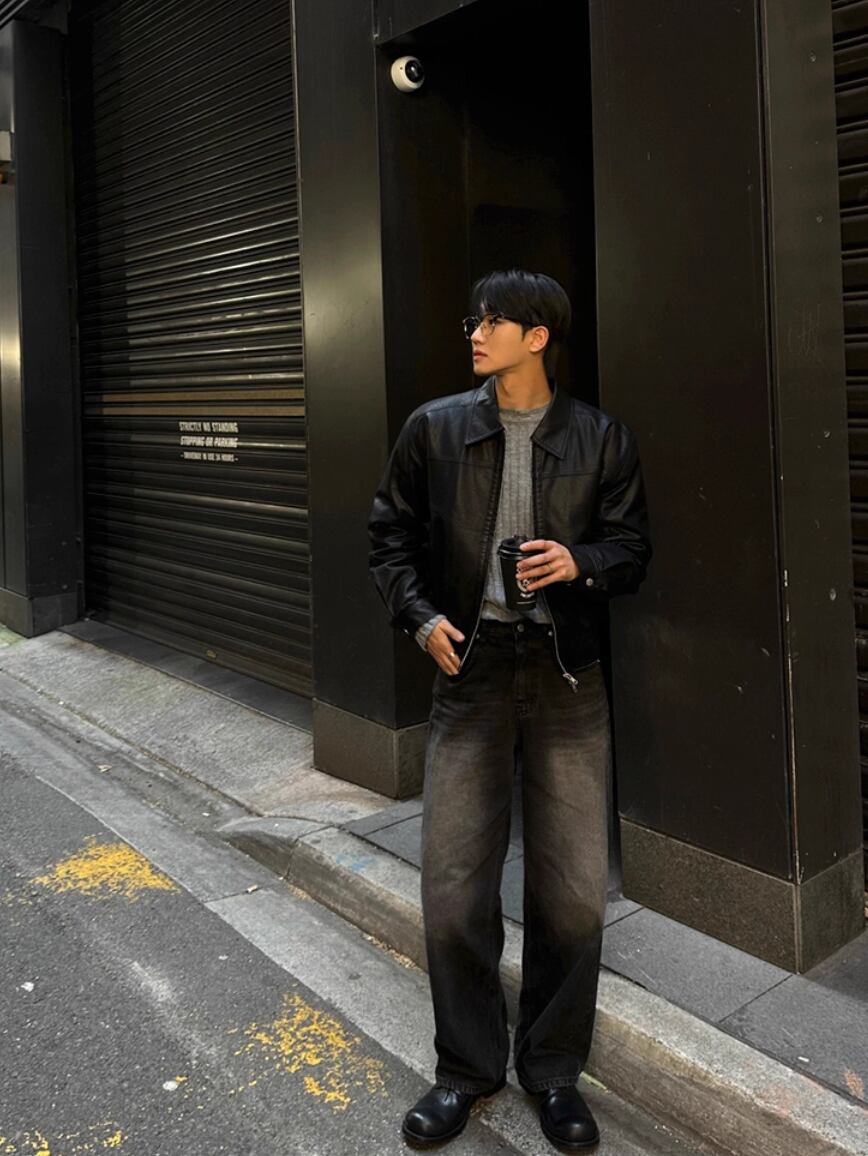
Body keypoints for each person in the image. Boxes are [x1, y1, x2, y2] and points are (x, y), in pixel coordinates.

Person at [367, 269, 652, 1150]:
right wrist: (421, 620)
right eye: (474, 318)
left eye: (494, 320)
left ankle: (554, 1071)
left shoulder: (601, 437)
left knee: (572, 896)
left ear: (538, 337)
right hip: (472, 667)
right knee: (453, 888)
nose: (476, 332)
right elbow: (388, 535)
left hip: (567, 677)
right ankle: (466, 1070)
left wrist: (580, 564)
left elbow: (632, 549)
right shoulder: (435, 428)